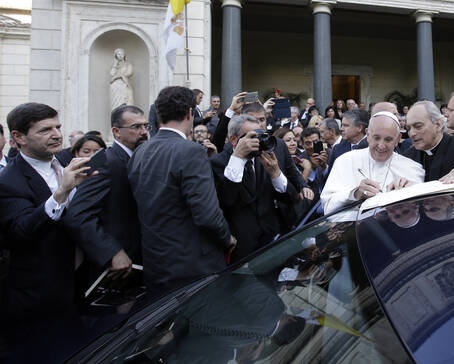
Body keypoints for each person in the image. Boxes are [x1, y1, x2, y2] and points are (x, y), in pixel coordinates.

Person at [128, 86, 235, 290]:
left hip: (154, 261)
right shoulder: (191, 151)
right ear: (190, 112)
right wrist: (226, 237)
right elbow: (207, 214)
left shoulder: (140, 151)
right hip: (193, 266)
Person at [0, 103, 94, 322]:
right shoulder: (9, 181)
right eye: (45, 130)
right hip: (40, 298)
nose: (56, 135)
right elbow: (22, 232)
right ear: (19, 137)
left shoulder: (65, 163)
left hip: (82, 288)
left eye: (58, 127)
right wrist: (61, 193)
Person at [65, 105, 148, 284]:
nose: (143, 132)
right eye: (136, 127)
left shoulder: (138, 158)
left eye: (145, 126)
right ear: (116, 132)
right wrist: (111, 252)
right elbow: (78, 215)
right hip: (115, 267)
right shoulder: (105, 162)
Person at [210, 114, 297, 262]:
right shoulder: (217, 163)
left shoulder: (263, 158)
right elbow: (226, 201)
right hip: (241, 250)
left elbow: (291, 199)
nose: (258, 141)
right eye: (252, 137)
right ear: (233, 139)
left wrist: (276, 174)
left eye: (260, 135)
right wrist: (237, 159)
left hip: (273, 243)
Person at [321, 111, 424, 216]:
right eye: (376, 138)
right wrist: (355, 194)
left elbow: (419, 211)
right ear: (367, 135)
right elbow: (327, 206)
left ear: (397, 139)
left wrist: (409, 193)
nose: (381, 146)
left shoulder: (412, 168)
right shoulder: (344, 161)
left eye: (388, 140)